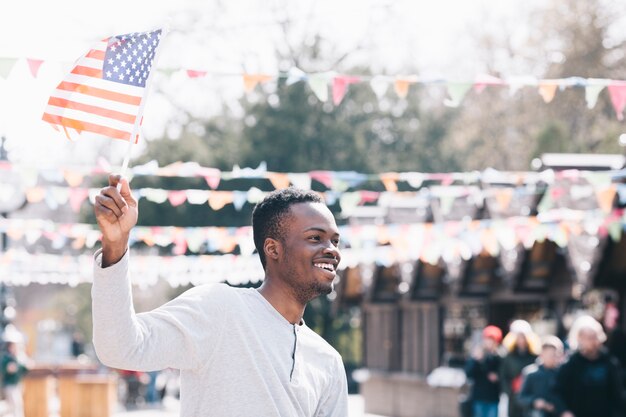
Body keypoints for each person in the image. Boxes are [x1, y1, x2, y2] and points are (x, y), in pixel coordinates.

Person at [91, 175, 348, 416]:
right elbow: (121, 347)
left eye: (335, 241)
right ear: (273, 249)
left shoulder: (328, 361)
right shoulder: (220, 308)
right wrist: (115, 244)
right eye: (315, 238)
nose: (331, 250)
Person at [555, 315, 624, 417]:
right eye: (589, 338)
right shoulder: (571, 364)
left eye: (596, 337)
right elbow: (557, 391)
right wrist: (564, 411)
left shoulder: (609, 362)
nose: (594, 341)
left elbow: (618, 393)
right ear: (580, 339)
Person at [500, 320, 540, 417]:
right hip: (514, 397)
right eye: (518, 337)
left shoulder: (534, 357)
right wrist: (510, 390)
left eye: (523, 337)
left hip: (529, 397)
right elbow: (503, 376)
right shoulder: (509, 357)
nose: (521, 340)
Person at [518, 336, 563, 417]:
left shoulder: (561, 373)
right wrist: (534, 402)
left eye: (557, 355)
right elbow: (521, 398)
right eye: (551, 355)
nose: (555, 358)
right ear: (543, 354)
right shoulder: (530, 373)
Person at [465, 325, 503, 417]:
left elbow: (505, 374)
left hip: (493, 397)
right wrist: (476, 360)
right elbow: (468, 374)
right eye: (487, 339)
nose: (489, 342)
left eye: (492, 340)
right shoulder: (477, 354)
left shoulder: (500, 357)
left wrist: (498, 377)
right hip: (479, 397)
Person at [1, 341, 29, 417]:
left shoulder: (18, 357)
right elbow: (3, 369)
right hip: (9, 385)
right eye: (13, 347)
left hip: (18, 384)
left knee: (18, 404)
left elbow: (24, 369)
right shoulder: (6, 358)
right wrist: (7, 369)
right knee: (14, 404)